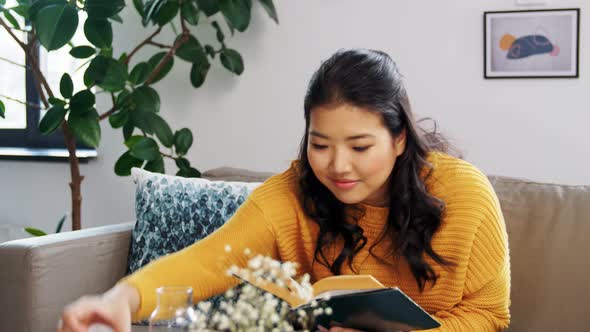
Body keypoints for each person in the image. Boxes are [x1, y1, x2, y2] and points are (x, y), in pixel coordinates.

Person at [59, 49, 510, 332]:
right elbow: (208, 260)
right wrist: (119, 299)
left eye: (359, 146)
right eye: (320, 144)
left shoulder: (464, 193)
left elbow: (490, 315)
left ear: (399, 139)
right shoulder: (293, 195)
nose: (337, 165)